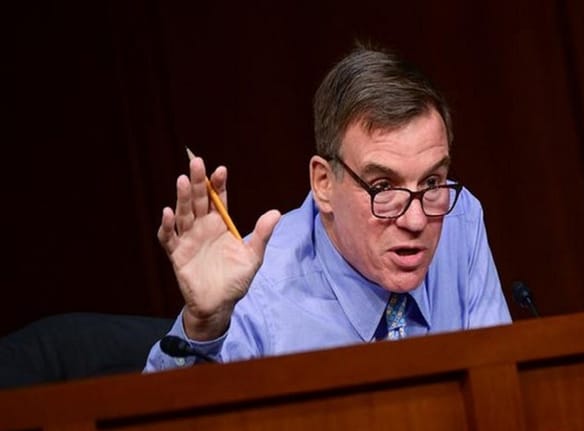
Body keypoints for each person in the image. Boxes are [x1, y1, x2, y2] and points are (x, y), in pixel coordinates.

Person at [144, 43, 511, 372]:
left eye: (431, 182)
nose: (416, 221)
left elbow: (500, 379)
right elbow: (163, 424)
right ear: (324, 184)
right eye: (383, 187)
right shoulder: (257, 287)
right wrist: (204, 327)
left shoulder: (460, 220)